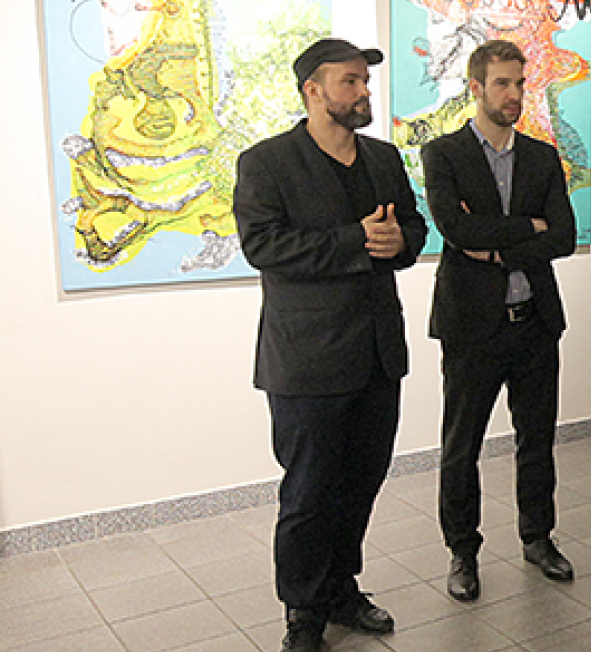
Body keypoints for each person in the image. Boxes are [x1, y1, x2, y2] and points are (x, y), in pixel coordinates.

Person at [232, 38, 427, 652]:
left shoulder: (383, 158)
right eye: (350, 81)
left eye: (365, 81)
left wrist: (403, 243)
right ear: (313, 91)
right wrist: (354, 241)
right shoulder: (267, 162)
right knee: (309, 494)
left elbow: (413, 227)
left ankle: (342, 589)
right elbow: (263, 246)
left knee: (362, 483)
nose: (364, 91)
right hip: (307, 363)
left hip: (377, 357)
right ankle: (304, 612)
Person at [419, 39, 578, 603]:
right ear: (477, 87)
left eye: (519, 82)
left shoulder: (541, 157)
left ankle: (538, 537)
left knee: (537, 439)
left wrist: (495, 246)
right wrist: (528, 227)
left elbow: (564, 235)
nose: (514, 94)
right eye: (503, 83)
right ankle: (462, 551)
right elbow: (456, 230)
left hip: (535, 321)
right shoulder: (443, 154)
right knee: (461, 445)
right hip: (471, 325)